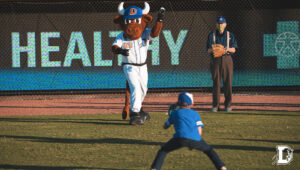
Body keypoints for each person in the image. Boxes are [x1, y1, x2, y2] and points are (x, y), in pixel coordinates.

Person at [112, 2, 165, 125]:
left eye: (135, 20)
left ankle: (139, 109)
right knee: (135, 87)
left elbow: (154, 34)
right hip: (129, 66)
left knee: (143, 89)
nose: (132, 24)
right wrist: (119, 50)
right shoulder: (122, 35)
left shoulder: (145, 33)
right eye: (129, 21)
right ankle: (135, 114)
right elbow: (114, 46)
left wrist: (160, 20)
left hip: (143, 65)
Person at [150, 92, 227, 170]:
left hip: (179, 138)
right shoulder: (195, 114)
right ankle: (222, 167)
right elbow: (199, 130)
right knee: (209, 150)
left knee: (163, 150)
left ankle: (155, 168)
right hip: (195, 138)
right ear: (192, 103)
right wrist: (194, 142)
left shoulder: (175, 113)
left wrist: (171, 118)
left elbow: (165, 126)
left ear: (178, 102)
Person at [206, 16, 238, 112]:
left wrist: (224, 50)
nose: (220, 25)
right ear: (216, 24)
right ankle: (215, 106)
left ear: (225, 24)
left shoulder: (230, 35)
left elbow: (234, 49)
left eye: (222, 23)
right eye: (219, 23)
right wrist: (215, 49)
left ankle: (228, 105)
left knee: (228, 83)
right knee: (216, 83)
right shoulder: (211, 35)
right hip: (216, 60)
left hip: (227, 59)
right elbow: (208, 50)